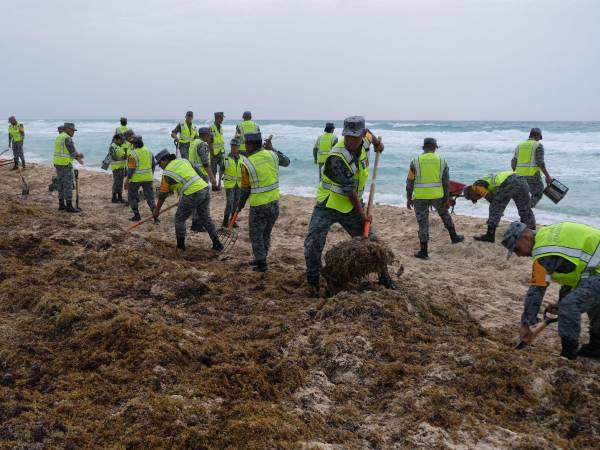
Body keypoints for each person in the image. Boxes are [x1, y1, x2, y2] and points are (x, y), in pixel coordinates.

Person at [303, 116, 397, 295]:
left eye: (355, 137)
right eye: (347, 137)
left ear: (361, 135)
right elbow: (349, 190)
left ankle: (384, 278)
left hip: (351, 205)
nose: (350, 141)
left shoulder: (366, 140)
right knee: (313, 243)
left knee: (372, 242)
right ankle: (313, 280)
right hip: (329, 204)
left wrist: (378, 144)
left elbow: (369, 134)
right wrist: (363, 215)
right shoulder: (336, 157)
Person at [501, 221, 600, 360]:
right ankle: (596, 349)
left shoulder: (544, 251)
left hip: (596, 272)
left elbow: (536, 290)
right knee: (590, 299)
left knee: (570, 306)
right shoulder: (549, 236)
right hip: (594, 270)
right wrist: (561, 301)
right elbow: (573, 272)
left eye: (516, 249)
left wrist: (526, 323)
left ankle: (568, 354)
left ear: (526, 238)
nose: (519, 255)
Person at [237, 132, 290, 272]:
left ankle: (261, 263)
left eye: (246, 144)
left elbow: (245, 189)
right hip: (274, 203)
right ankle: (262, 257)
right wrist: (272, 148)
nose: (244, 147)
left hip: (258, 206)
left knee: (255, 234)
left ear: (251, 145)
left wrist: (240, 204)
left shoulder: (246, 163)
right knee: (265, 233)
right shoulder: (272, 155)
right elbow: (287, 161)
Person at [153, 149, 223, 251]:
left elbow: (163, 195)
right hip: (204, 188)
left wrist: (157, 210)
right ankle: (217, 244)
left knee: (179, 219)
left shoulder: (167, 173)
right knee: (205, 218)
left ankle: (180, 247)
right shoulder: (184, 160)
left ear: (165, 159)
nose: (160, 166)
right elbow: (198, 172)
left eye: (160, 163)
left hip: (192, 193)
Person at [406, 138, 464, 259]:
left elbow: (410, 182)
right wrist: (447, 199)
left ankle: (424, 251)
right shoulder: (442, 161)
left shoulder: (415, 161)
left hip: (420, 197)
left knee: (423, 223)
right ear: (434, 147)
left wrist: (409, 198)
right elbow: (446, 182)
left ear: (423, 148)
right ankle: (454, 237)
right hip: (437, 196)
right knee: (444, 215)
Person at [463, 171, 536, 242]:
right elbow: (496, 198)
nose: (477, 199)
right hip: (521, 180)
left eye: (473, 198)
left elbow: (493, 201)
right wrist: (498, 211)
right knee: (525, 209)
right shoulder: (484, 181)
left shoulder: (476, 187)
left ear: (470, 192)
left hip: (510, 182)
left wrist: (497, 212)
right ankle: (532, 231)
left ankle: (490, 235)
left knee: (494, 207)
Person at [511, 128, 552, 207]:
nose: (540, 139)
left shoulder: (519, 146)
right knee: (537, 194)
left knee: (523, 196)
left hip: (519, 176)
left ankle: (524, 214)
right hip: (533, 176)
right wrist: (548, 176)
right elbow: (540, 162)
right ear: (537, 135)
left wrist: (516, 173)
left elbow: (513, 163)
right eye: (540, 137)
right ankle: (527, 211)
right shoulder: (537, 145)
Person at [189, 128, 217, 232]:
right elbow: (205, 163)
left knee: (197, 199)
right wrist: (212, 177)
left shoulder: (193, 143)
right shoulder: (202, 144)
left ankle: (195, 223)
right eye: (209, 135)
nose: (210, 137)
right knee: (202, 200)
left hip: (193, 174)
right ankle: (197, 223)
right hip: (201, 174)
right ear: (205, 135)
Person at [53, 122, 84, 212]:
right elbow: (73, 152)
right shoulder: (67, 138)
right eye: (72, 130)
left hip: (58, 163)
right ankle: (69, 206)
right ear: (66, 129)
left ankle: (61, 204)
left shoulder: (59, 136)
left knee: (61, 184)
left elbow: (66, 152)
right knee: (68, 185)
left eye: (74, 130)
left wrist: (77, 158)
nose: (73, 132)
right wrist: (80, 156)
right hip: (65, 164)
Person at [125, 135, 156, 222]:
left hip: (136, 179)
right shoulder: (149, 151)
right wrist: (150, 175)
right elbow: (153, 165)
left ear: (134, 144)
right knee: (150, 197)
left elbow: (131, 170)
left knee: (131, 197)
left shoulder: (132, 154)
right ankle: (155, 216)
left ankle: (137, 215)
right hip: (148, 178)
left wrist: (127, 180)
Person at [222, 138, 242, 228]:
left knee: (236, 203)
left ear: (239, 147)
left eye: (235, 146)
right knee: (229, 203)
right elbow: (222, 170)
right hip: (229, 184)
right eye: (232, 146)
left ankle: (232, 221)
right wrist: (218, 182)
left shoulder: (242, 158)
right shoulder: (226, 158)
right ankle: (225, 222)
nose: (234, 148)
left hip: (239, 184)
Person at [210, 112, 226, 189]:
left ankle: (219, 182)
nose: (222, 119)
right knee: (213, 170)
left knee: (223, 168)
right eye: (221, 118)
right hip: (214, 153)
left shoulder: (221, 128)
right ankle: (214, 185)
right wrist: (212, 153)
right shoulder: (211, 128)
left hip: (221, 152)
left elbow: (220, 140)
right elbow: (209, 142)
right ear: (217, 118)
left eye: (222, 118)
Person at [109, 133, 127, 203]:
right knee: (116, 183)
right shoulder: (112, 146)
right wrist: (122, 158)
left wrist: (124, 157)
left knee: (120, 183)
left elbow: (123, 155)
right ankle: (114, 197)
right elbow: (113, 157)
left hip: (122, 167)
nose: (121, 141)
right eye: (120, 139)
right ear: (115, 139)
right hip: (116, 168)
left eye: (121, 139)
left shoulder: (120, 146)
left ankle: (120, 197)